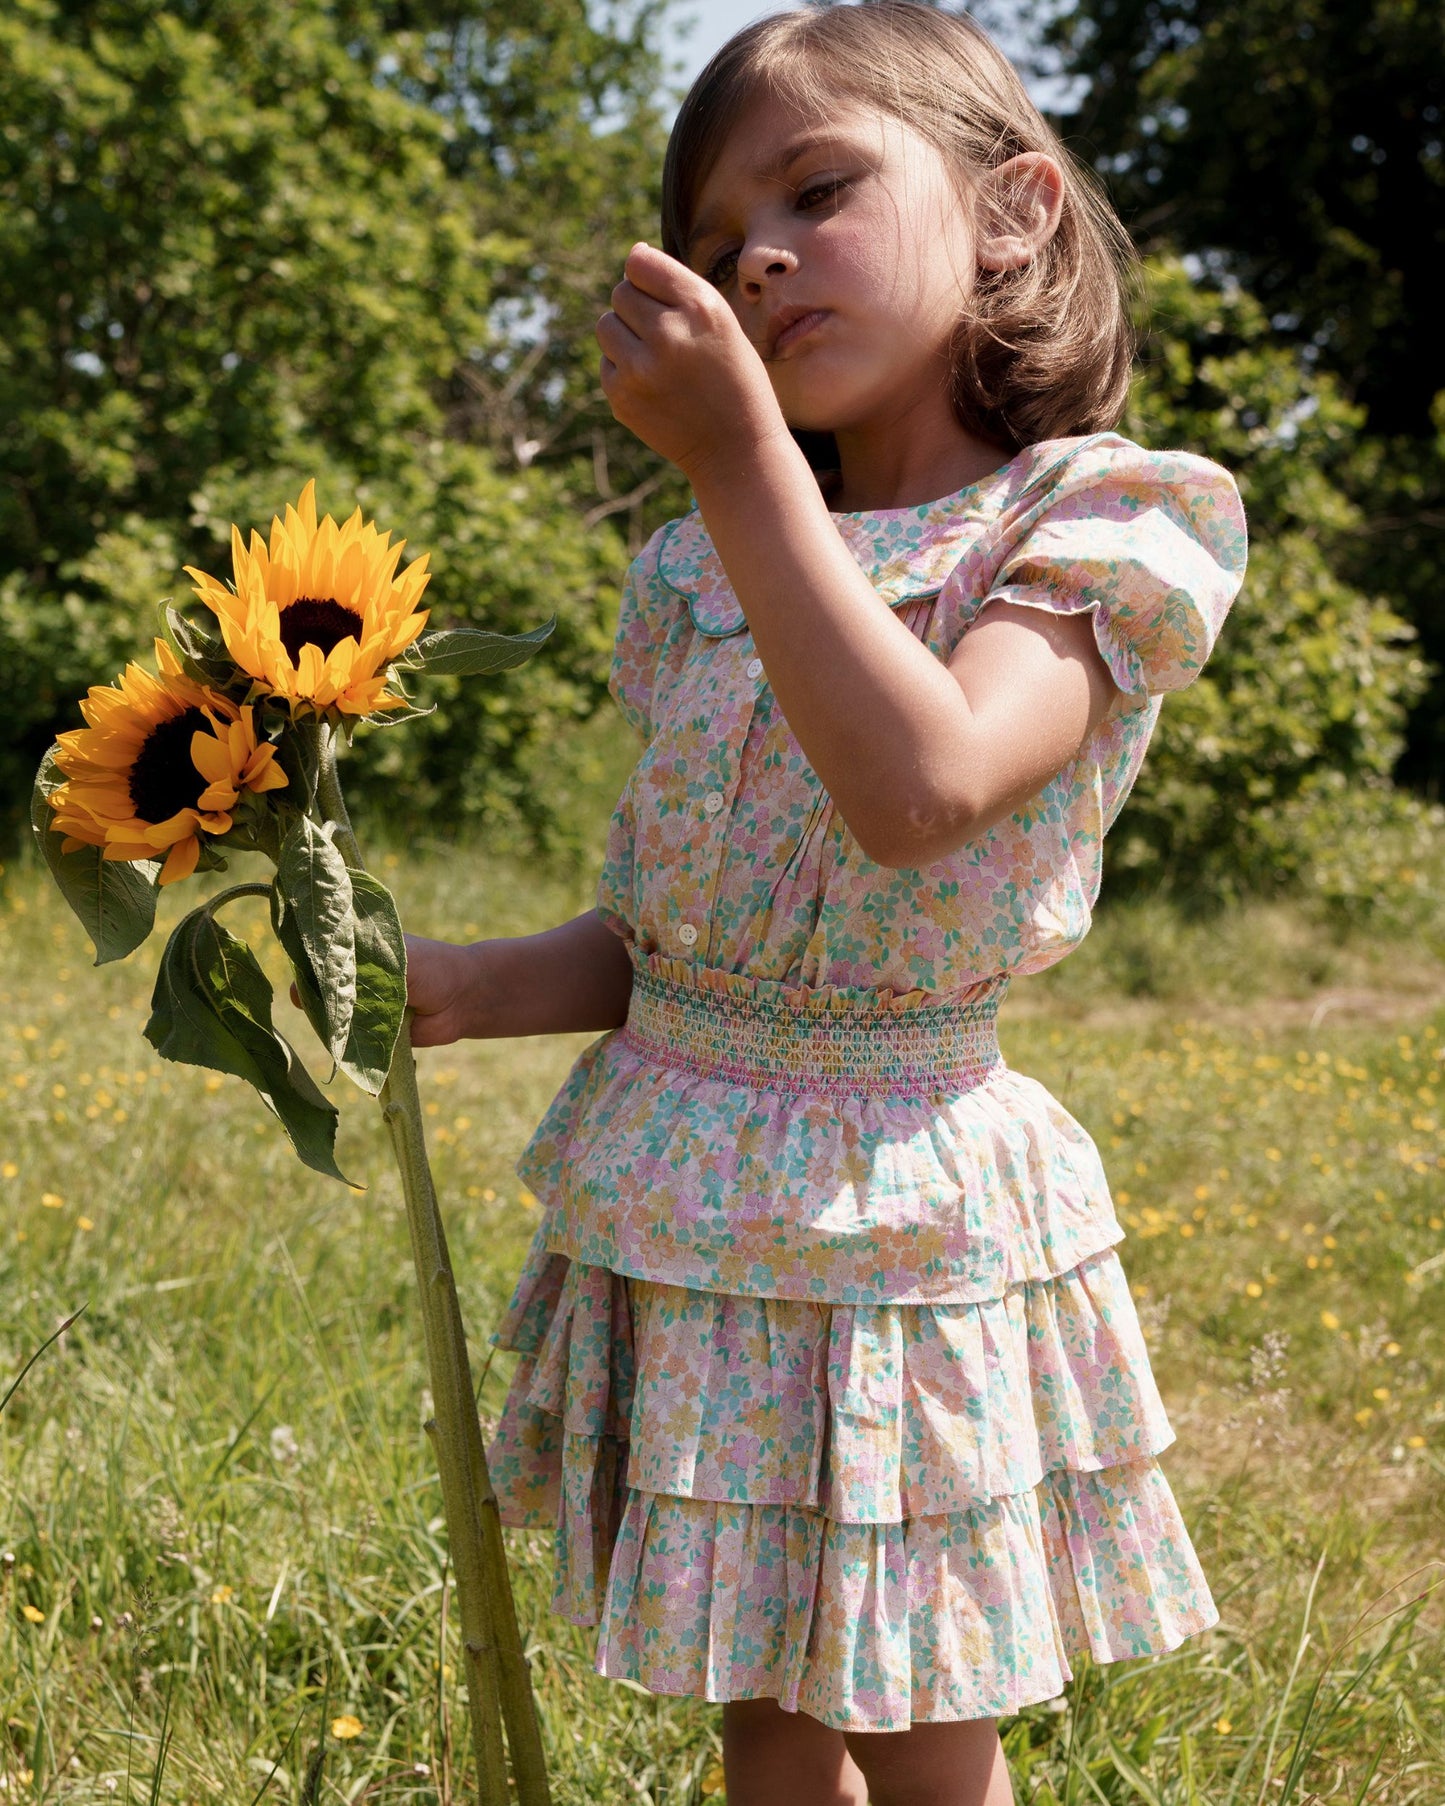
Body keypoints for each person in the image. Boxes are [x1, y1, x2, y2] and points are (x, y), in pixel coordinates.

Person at [404, 6, 1247, 1802]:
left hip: (892, 1224)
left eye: (817, 189)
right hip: (695, 1200)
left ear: (1012, 209)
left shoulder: (1093, 521)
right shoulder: (700, 572)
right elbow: (680, 941)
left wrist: (738, 463)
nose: (760, 259)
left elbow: (923, 787)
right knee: (762, 1710)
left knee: (919, 1715)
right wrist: (465, 986)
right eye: (718, 243)